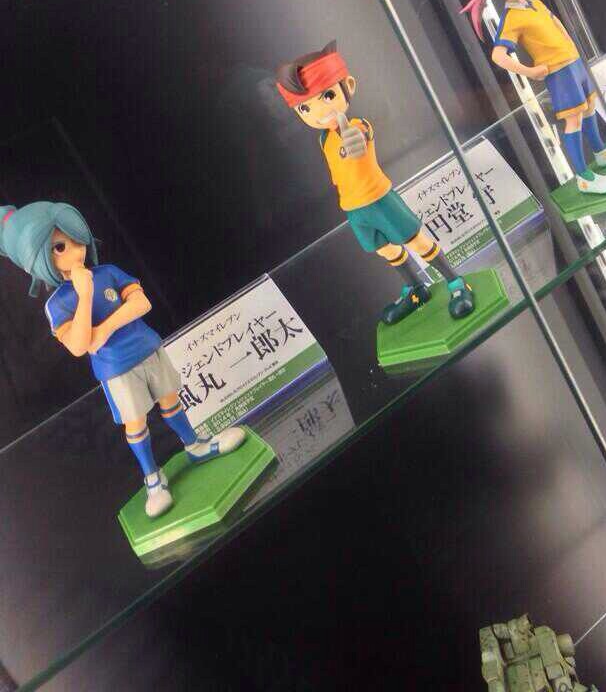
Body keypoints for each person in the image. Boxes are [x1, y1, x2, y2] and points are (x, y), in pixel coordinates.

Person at [0, 201, 245, 518]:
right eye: (60, 247)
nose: (75, 251)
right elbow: (79, 345)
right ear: (37, 258)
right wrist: (85, 296)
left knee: (171, 401)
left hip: (147, 348)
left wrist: (104, 328)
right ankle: (152, 477)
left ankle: (196, 445)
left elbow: (142, 304)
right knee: (136, 422)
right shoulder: (58, 304)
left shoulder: (108, 272)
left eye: (78, 240)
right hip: (116, 369)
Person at [275, 41, 475, 324]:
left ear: (348, 86)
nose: (318, 112)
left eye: (328, 96)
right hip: (354, 208)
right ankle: (416, 288)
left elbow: (361, 135)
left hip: (379, 199)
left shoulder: (358, 126)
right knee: (385, 249)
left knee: (415, 240)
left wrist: (355, 140)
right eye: (305, 108)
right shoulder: (324, 139)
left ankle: (456, 282)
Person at [460, 0, 606, 194]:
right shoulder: (511, 18)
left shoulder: (535, 4)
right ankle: (584, 177)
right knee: (573, 119)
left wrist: (573, 50)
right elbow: (498, 55)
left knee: (590, 106)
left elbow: (557, 24)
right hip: (559, 73)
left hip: (573, 63)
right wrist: (530, 71)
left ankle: (601, 152)